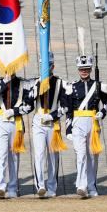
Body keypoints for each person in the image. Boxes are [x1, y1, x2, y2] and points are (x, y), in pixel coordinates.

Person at [64, 28, 107, 199]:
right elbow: (68, 110)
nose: (84, 71)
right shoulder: (72, 86)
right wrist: (68, 130)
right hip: (78, 122)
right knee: (81, 155)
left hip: (93, 121)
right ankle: (82, 185)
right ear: (78, 69)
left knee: (92, 155)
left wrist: (102, 114)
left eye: (86, 69)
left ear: (91, 69)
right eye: (81, 69)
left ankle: (92, 186)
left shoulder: (99, 86)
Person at [28, 53, 67, 198]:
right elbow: (28, 102)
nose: (46, 68)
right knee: (39, 154)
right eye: (43, 65)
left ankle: (52, 187)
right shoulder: (35, 82)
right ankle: (40, 185)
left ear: (53, 66)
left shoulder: (60, 83)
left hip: (53, 122)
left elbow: (65, 105)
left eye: (49, 66)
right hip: (38, 121)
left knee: (53, 156)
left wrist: (52, 115)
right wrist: (38, 87)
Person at [0, 73, 34, 199]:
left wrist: (14, 111)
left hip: (16, 121)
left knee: (14, 156)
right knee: (2, 154)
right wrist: (4, 82)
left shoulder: (23, 83)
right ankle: (1, 185)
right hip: (0, 121)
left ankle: (13, 187)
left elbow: (29, 105)